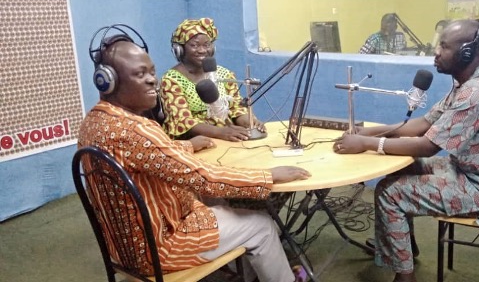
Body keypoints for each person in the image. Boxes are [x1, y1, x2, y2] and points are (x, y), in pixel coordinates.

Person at [80, 27, 311, 282]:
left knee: (221, 207)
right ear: (108, 81)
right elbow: (205, 179)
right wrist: (268, 176)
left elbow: (144, 156)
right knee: (262, 225)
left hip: (124, 246)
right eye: (140, 74)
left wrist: (187, 145)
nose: (152, 81)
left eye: (152, 72)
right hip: (160, 247)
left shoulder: (94, 121)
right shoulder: (138, 130)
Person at [334, 19, 479, 282]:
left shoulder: (476, 92)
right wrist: (369, 132)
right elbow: (423, 124)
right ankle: (405, 248)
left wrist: (366, 144)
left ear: (467, 52)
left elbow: (427, 146)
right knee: (405, 166)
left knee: (391, 193)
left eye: (444, 46)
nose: (436, 51)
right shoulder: (468, 81)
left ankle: (405, 276)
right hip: (472, 171)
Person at [161, 17, 265, 142]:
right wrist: (220, 132)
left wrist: (249, 122)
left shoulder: (225, 75)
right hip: (194, 141)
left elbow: (236, 108)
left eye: (207, 45)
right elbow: (183, 121)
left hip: (226, 137)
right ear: (180, 50)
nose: (202, 50)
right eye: (194, 45)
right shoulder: (171, 80)